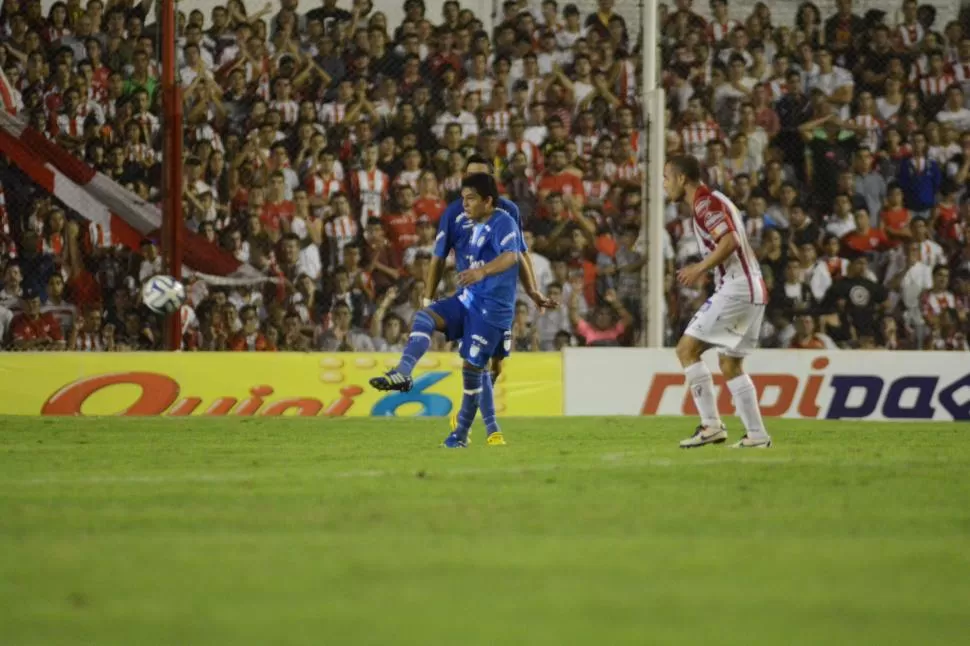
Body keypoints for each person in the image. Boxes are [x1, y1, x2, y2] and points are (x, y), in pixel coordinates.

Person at [369, 155, 555, 438]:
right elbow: (438, 257)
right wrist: (429, 297)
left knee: (494, 365)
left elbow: (518, 254)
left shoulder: (507, 214)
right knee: (453, 343)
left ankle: (470, 415)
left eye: (479, 178)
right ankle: (411, 377)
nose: (471, 185)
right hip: (469, 298)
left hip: (497, 302)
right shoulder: (454, 213)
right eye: (468, 178)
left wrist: (532, 291)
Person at [378, 174, 520, 447]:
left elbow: (511, 255)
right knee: (425, 316)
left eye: (470, 199)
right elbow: (441, 256)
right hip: (467, 300)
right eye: (463, 198)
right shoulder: (464, 223)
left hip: (493, 311)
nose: (464, 205)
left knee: (476, 367)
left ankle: (463, 432)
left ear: (488, 201)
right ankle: (405, 371)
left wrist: (482, 271)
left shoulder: (504, 222)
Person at [662, 155, 773, 449]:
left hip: (738, 288)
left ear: (681, 179)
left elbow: (730, 241)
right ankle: (757, 435)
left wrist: (699, 267)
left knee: (687, 349)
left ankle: (711, 425)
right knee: (730, 364)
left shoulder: (704, 204)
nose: (665, 185)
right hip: (753, 287)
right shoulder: (714, 199)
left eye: (666, 178)